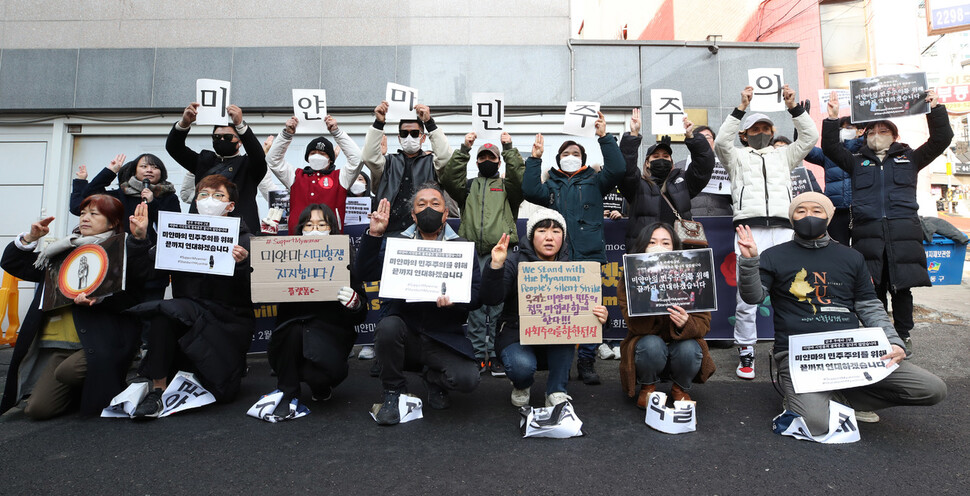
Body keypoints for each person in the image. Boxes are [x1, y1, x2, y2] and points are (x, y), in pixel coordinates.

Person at [737, 192, 946, 437]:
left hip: (850, 352)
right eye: (801, 211)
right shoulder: (774, 255)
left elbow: (870, 307)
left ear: (829, 216)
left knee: (932, 389)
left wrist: (893, 340)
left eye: (817, 211)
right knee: (815, 425)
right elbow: (753, 297)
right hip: (800, 355)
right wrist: (749, 261)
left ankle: (846, 400)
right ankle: (810, 401)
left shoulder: (851, 257)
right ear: (792, 217)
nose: (809, 216)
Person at [822, 90, 953, 350]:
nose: (876, 135)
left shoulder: (911, 158)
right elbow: (831, 148)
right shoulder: (856, 161)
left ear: (894, 136)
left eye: (883, 131)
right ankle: (879, 334)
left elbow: (941, 139)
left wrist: (935, 110)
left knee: (901, 288)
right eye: (871, 132)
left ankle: (903, 335)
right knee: (874, 288)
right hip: (867, 233)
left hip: (903, 233)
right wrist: (832, 119)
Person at [357, 183, 496, 426]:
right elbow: (364, 272)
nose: (428, 209)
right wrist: (376, 234)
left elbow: (476, 297)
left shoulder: (462, 248)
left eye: (435, 204)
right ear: (413, 214)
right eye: (421, 205)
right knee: (388, 327)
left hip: (443, 335)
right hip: (405, 332)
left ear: (445, 214)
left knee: (468, 380)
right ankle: (394, 392)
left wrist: (456, 301)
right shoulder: (396, 244)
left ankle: (433, 379)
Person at [0, 195, 140, 419]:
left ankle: (95, 386)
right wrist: (30, 238)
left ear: (113, 222)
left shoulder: (121, 250)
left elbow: (135, 294)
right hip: (59, 346)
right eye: (83, 213)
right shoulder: (60, 251)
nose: (85, 218)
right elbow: (12, 264)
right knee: (36, 410)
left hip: (98, 341)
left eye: (94, 214)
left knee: (68, 372)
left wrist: (101, 299)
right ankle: (80, 390)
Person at [127, 175, 255, 418]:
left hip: (227, 321)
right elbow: (143, 273)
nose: (209, 201)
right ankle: (157, 390)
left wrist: (242, 265)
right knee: (163, 312)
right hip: (186, 315)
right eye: (204, 195)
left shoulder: (246, 241)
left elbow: (258, 291)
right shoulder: (178, 235)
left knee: (224, 394)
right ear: (195, 202)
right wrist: (139, 239)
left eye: (218, 196)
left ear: (230, 206)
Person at [714, 84, 818, 380]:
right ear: (744, 134)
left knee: (794, 292)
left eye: (766, 127)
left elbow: (810, 136)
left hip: (785, 231)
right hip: (750, 231)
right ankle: (746, 353)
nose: (761, 131)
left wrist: (793, 107)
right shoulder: (736, 157)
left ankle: (792, 350)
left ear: (773, 132)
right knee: (747, 297)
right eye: (755, 128)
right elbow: (721, 142)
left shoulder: (784, 156)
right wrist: (741, 107)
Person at [522, 112, 624, 386]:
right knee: (563, 312)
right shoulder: (551, 185)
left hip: (590, 258)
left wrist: (604, 137)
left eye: (576, 152)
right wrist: (534, 159)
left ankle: (587, 361)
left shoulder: (595, 181)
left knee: (591, 312)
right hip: (559, 260)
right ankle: (563, 362)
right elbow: (529, 189)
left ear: (583, 157)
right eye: (566, 153)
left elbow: (618, 170)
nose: (571, 156)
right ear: (558, 160)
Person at [482, 209, 608, 407]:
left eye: (556, 232)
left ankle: (557, 390)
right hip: (517, 334)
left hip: (557, 336)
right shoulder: (514, 262)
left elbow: (586, 318)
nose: (549, 237)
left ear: (563, 237)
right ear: (532, 235)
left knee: (567, 334)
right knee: (522, 367)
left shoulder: (574, 268)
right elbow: (491, 298)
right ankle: (521, 384)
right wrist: (496, 266)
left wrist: (601, 317)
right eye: (542, 231)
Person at [261, 203, 368, 419]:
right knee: (295, 330)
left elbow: (361, 312)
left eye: (322, 224)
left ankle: (321, 385)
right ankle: (287, 392)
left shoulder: (343, 258)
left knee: (318, 376)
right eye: (309, 224)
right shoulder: (285, 256)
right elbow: (260, 285)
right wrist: (264, 243)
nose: (315, 229)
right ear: (300, 229)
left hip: (328, 337)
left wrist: (356, 303)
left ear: (332, 228)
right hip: (291, 336)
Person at [440, 131, 525, 376]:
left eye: (492, 157)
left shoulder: (508, 188)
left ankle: (496, 353)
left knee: (498, 307)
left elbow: (520, 179)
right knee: (475, 308)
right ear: (476, 161)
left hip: (500, 253)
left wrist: (508, 147)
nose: (487, 160)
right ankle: (478, 354)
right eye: (482, 156)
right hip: (472, 254)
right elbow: (447, 179)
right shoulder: (468, 187)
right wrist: (464, 150)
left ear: (499, 161)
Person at [617, 222, 715, 408]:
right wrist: (646, 301)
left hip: (680, 348)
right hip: (648, 350)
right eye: (652, 242)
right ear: (642, 246)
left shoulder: (692, 276)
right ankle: (648, 388)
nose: (658, 247)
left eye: (665, 243)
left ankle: (680, 389)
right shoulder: (629, 278)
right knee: (651, 345)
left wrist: (686, 322)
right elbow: (633, 326)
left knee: (690, 348)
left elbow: (704, 325)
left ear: (675, 248)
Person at [619, 108, 715, 253]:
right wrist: (633, 135)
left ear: (671, 162)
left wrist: (691, 136)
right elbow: (626, 169)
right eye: (656, 157)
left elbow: (704, 166)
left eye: (665, 156)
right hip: (644, 251)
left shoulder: (683, 183)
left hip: (679, 250)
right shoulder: (637, 185)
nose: (661, 159)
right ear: (647, 163)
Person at [166, 102, 268, 235]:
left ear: (240, 142)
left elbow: (258, 156)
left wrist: (240, 125)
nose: (221, 139)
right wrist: (184, 124)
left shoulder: (248, 165)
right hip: (202, 231)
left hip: (239, 232)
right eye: (217, 137)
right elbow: (174, 148)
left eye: (228, 137)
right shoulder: (203, 160)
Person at [361, 102, 453, 236]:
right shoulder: (388, 163)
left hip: (423, 234)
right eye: (404, 133)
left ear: (423, 138)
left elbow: (446, 158)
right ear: (399, 138)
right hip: (389, 232)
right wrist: (379, 123)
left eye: (415, 133)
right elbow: (368, 157)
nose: (409, 137)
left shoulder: (432, 163)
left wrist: (429, 123)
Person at [265, 115, 365, 233]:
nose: (317, 156)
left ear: (331, 159)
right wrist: (287, 134)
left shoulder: (340, 177)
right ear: (307, 157)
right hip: (298, 239)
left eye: (322, 154)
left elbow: (357, 160)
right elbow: (273, 160)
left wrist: (336, 133)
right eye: (313, 153)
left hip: (331, 238)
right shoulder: (295, 176)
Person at [70, 153, 181, 243]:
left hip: (152, 251)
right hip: (119, 247)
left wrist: (152, 202)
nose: (149, 170)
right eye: (144, 166)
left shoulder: (169, 197)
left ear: (162, 173)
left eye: (155, 167)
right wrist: (111, 171)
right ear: (134, 171)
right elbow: (89, 194)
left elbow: (173, 228)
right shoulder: (122, 193)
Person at [806, 117, 865, 245]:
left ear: (860, 131)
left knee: (863, 248)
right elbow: (807, 151)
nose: (844, 131)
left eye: (849, 128)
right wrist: (803, 125)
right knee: (838, 248)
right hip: (836, 209)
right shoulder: (830, 153)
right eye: (841, 128)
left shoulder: (866, 152)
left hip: (861, 210)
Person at [684, 125, 734, 217]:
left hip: (723, 219)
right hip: (693, 220)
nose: (704, 141)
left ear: (714, 142)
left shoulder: (728, 166)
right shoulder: (681, 167)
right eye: (699, 138)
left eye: (707, 137)